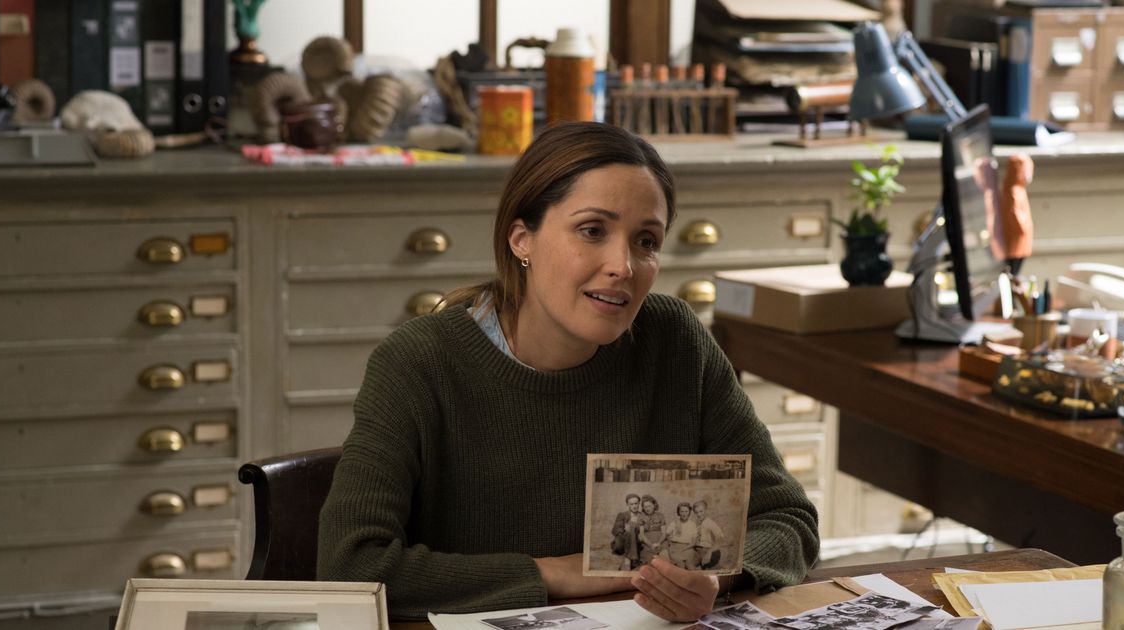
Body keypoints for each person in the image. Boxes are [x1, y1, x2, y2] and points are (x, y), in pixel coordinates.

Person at [316, 122, 820, 621]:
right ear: (522, 240)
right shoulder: (418, 362)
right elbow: (350, 568)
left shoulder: (676, 340)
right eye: (592, 230)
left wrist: (713, 575)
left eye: (646, 241)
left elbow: (788, 517)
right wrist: (554, 573)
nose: (623, 265)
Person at [610, 494, 643, 570]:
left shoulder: (642, 516)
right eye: (631, 504)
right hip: (623, 541)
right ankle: (634, 559)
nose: (634, 506)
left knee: (632, 528)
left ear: (639, 503)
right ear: (627, 505)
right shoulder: (622, 515)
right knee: (630, 528)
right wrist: (624, 529)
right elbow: (615, 530)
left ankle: (629, 559)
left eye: (636, 503)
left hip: (638, 541)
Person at [665, 502, 700, 569]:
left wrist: (684, 549)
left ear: (689, 512)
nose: (684, 514)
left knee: (689, 565)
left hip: (688, 547)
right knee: (680, 565)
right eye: (682, 511)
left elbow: (693, 543)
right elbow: (667, 535)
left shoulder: (692, 524)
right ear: (679, 512)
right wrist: (671, 545)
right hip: (676, 548)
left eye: (686, 511)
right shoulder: (674, 523)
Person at [692, 500, 726, 569]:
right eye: (696, 512)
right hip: (698, 551)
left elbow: (721, 538)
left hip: (707, 551)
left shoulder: (710, 523)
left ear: (706, 510)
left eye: (701, 511)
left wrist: (709, 552)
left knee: (691, 566)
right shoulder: (696, 523)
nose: (699, 514)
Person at [636, 495, 667, 566]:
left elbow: (664, 533)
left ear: (654, 505)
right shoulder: (641, 517)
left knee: (664, 559)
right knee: (649, 562)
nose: (647, 508)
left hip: (660, 541)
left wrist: (659, 543)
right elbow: (642, 534)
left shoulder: (660, 515)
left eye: (649, 506)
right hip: (647, 542)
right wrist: (650, 545)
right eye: (645, 507)